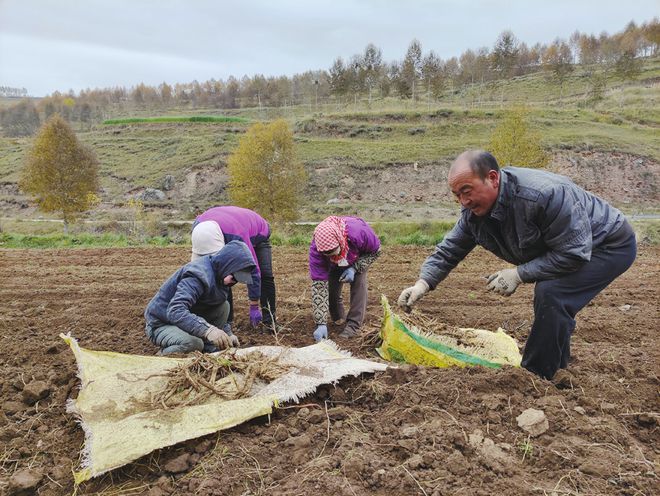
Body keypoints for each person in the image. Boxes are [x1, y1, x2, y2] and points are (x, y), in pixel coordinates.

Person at [398, 150, 636, 380]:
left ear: (492, 178)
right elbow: (450, 250)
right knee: (552, 296)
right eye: (456, 195)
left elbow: (573, 253)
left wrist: (519, 274)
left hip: (608, 244)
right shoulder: (474, 214)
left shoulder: (543, 195)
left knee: (553, 293)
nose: (463, 201)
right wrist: (423, 283)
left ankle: (535, 375)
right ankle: (557, 369)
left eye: (466, 191)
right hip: (569, 247)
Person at [144, 240, 255, 355]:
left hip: (186, 318)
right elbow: (175, 311)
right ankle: (162, 356)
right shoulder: (197, 275)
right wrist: (208, 330)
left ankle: (209, 348)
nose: (233, 282)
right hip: (161, 323)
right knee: (193, 344)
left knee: (224, 306)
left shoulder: (221, 274)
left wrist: (228, 334)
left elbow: (215, 307)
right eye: (234, 278)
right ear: (227, 266)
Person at [191, 206, 278, 333]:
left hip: (258, 233)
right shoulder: (198, 227)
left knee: (265, 275)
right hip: (226, 227)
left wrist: (254, 304)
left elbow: (253, 270)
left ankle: (269, 323)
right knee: (221, 275)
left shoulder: (239, 236)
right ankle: (227, 322)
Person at [309, 216, 381, 341]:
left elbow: (376, 251)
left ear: (339, 240)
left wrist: (355, 268)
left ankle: (353, 325)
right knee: (331, 288)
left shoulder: (359, 232)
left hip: (357, 257)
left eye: (333, 251)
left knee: (359, 285)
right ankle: (338, 317)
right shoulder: (317, 251)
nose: (332, 255)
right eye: (327, 253)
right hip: (332, 264)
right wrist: (320, 323)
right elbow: (319, 286)